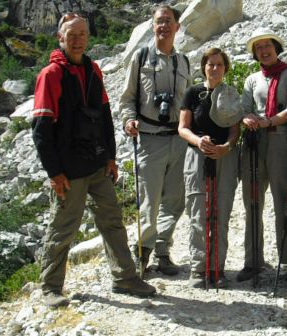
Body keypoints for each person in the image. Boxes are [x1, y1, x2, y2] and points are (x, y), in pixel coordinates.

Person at [32, 13, 156, 308]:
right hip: (68, 170)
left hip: (97, 164)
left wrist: (111, 157)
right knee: (63, 228)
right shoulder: (51, 75)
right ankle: (50, 287)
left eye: (82, 35)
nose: (77, 40)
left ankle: (125, 277)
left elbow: (103, 116)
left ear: (88, 38)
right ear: (60, 38)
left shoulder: (93, 70)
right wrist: (54, 171)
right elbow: (41, 129)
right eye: (71, 35)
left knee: (112, 221)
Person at [119, 5, 191, 276]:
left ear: (177, 27)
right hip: (149, 139)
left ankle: (163, 250)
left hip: (179, 140)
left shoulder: (183, 61)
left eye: (168, 21)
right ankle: (142, 253)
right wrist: (129, 120)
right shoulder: (141, 57)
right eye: (159, 22)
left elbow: (189, 103)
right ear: (152, 26)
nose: (164, 26)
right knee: (149, 202)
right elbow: (127, 97)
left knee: (175, 201)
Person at [237, 28, 287, 283]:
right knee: (252, 201)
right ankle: (253, 260)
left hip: (280, 140)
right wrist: (248, 118)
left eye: (267, 46)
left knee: (283, 201)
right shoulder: (252, 79)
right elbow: (244, 108)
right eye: (259, 48)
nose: (264, 51)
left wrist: (269, 121)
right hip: (255, 142)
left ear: (277, 48)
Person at [178, 48, 242, 288]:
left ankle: (217, 267)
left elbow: (235, 128)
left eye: (219, 65)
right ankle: (198, 268)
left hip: (224, 157)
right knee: (198, 211)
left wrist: (227, 146)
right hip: (197, 155)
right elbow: (183, 127)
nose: (215, 69)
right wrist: (198, 141)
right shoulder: (193, 93)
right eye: (210, 64)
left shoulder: (231, 94)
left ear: (225, 68)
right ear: (203, 66)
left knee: (221, 211)